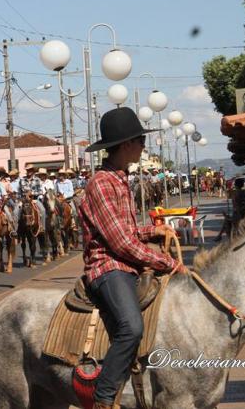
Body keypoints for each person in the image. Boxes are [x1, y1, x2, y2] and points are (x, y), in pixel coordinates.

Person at [80, 108, 182, 409]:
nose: (143, 145)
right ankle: (103, 396)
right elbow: (121, 242)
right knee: (131, 327)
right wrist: (167, 262)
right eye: (140, 140)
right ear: (126, 144)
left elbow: (128, 229)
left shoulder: (120, 178)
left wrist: (154, 230)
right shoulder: (101, 183)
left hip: (126, 263)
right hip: (107, 267)